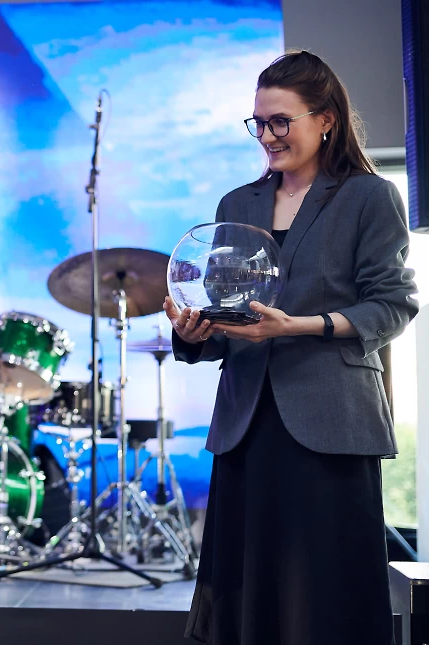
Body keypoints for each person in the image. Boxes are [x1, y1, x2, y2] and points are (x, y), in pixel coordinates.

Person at [163, 51, 418, 645]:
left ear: (325, 119)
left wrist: (297, 326)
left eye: (281, 121)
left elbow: (392, 305)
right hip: (247, 426)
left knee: (324, 601)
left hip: (330, 423)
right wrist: (194, 331)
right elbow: (230, 314)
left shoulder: (370, 197)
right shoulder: (236, 205)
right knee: (244, 599)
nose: (268, 136)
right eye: (259, 123)